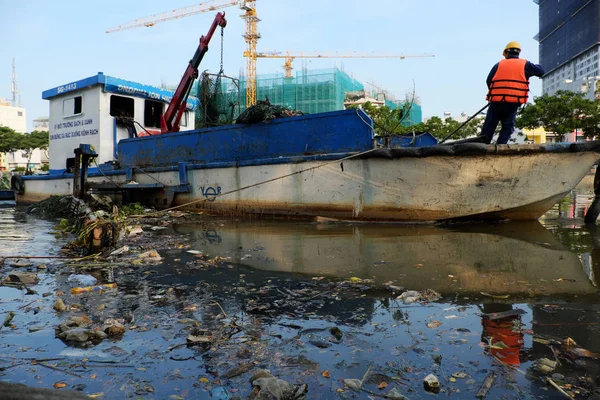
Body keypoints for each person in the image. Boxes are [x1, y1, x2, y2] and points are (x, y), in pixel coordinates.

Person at [481, 41, 544, 144]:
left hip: (496, 101)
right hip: (512, 102)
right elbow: (541, 71)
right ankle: (501, 146)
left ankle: (481, 147)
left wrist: (497, 93)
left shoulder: (499, 64)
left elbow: (489, 80)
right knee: (507, 126)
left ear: (506, 53)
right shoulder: (525, 64)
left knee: (489, 125)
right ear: (518, 52)